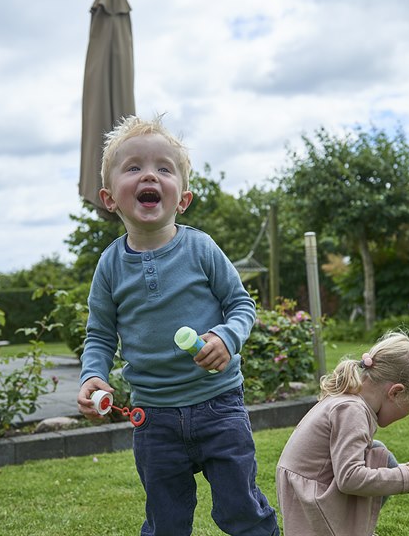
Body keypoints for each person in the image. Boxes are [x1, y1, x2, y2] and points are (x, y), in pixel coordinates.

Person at [77, 115, 280, 536]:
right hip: (153, 419)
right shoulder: (110, 266)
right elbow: (99, 334)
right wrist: (94, 374)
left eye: (163, 168)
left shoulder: (201, 248)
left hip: (219, 405)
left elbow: (241, 304)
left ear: (182, 199)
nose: (149, 173)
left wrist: (226, 336)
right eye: (133, 167)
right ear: (109, 197)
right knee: (165, 522)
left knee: (241, 510)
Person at [276, 332, 409, 536]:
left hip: (313, 489)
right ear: (396, 392)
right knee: (382, 458)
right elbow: (350, 478)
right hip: (313, 501)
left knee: (380, 454)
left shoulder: (351, 400)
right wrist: (407, 476)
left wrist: (401, 469)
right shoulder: (352, 410)